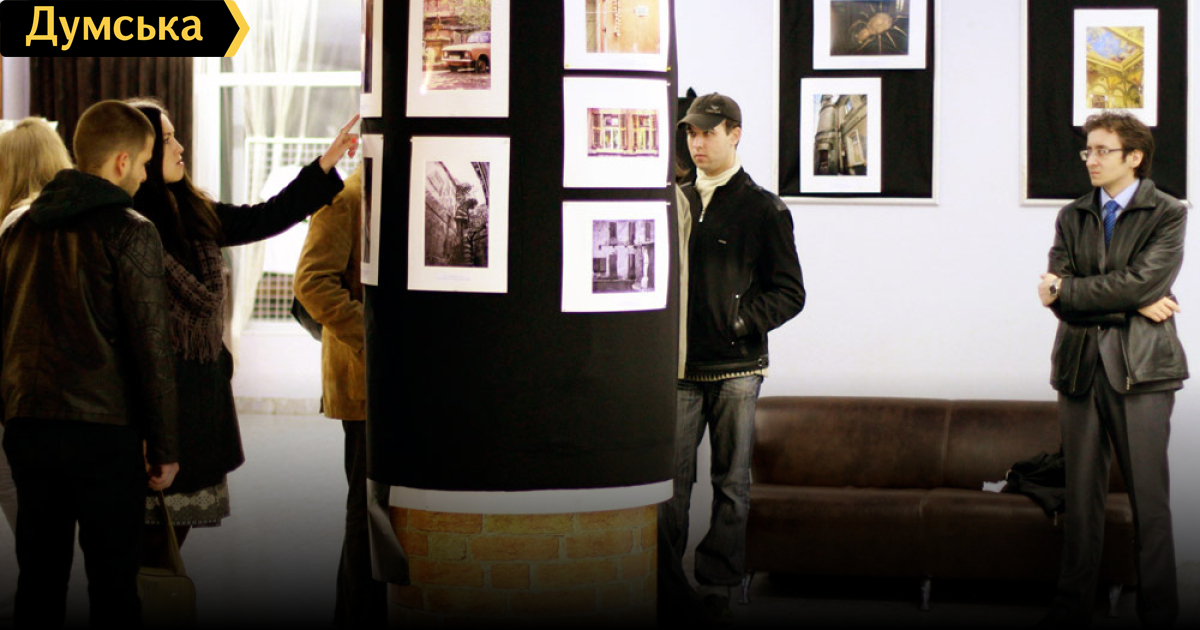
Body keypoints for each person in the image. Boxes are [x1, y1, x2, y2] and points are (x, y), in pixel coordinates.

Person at [123, 99, 358, 558]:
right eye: (167, 139)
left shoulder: (191, 210)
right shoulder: (125, 227)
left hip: (197, 400)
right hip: (152, 406)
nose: (180, 147)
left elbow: (264, 216)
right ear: (139, 154)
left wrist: (325, 164)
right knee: (144, 548)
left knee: (170, 544)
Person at [0, 100, 180, 627]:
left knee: (38, 581)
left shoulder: (17, 229)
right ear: (121, 162)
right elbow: (152, 346)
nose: (145, 175)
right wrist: (164, 447)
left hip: (28, 427)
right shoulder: (130, 229)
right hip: (104, 434)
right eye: (143, 162)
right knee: (114, 586)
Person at [659, 93, 805, 623]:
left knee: (731, 485)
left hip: (737, 370)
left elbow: (790, 292)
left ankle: (717, 587)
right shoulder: (672, 202)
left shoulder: (764, 209)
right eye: (691, 133)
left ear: (734, 134)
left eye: (708, 133)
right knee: (669, 487)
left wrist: (739, 321)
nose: (697, 143)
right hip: (679, 369)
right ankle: (666, 587)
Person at [1038, 111, 1185, 629]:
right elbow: (1057, 297)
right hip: (1079, 367)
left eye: (1103, 150)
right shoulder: (1073, 214)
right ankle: (1072, 607)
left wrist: (1080, 292)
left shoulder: (1168, 212)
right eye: (1088, 150)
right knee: (1081, 499)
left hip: (1142, 370)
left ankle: (1159, 613)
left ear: (1134, 157)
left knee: (1149, 501)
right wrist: (1132, 301)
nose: (1091, 160)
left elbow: (1140, 282)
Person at [293, 166, 386, 627]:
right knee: (364, 513)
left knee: (371, 511)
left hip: (379, 381)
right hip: (361, 382)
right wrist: (370, 337)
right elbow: (311, 283)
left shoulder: (374, 195)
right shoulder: (347, 198)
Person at [0, 117, 76, 621]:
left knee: (29, 520)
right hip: (65, 396)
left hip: (20, 395)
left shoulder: (14, 226)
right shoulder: (75, 223)